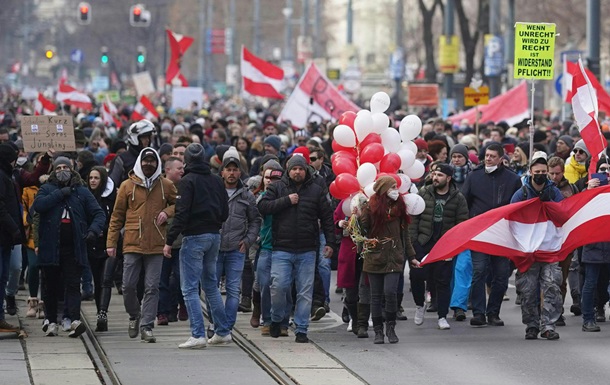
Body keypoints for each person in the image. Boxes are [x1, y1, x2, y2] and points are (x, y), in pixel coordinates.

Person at [258, 154, 336, 343]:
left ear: (305, 170)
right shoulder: (278, 187)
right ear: (288, 169)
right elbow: (263, 206)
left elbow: (327, 218)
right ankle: (276, 318)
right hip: (281, 249)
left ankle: (301, 329)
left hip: (307, 249)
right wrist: (286, 201)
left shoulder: (316, 190)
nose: (297, 172)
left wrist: (331, 243)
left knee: (304, 291)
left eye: (301, 168)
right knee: (278, 286)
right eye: (294, 169)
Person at [163, 143, 230, 349]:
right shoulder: (217, 180)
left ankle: (198, 334)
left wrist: (169, 240)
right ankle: (222, 331)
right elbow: (225, 211)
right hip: (214, 235)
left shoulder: (187, 182)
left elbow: (181, 214)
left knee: (189, 288)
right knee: (210, 285)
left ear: (187, 161)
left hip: (194, 237)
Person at [107, 148, 177, 343]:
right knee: (128, 285)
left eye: (152, 161)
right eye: (145, 161)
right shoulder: (127, 186)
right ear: (139, 162)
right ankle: (134, 314)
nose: (148, 165)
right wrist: (111, 242)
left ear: (157, 164)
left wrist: (168, 212)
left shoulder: (166, 185)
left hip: (156, 243)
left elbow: (179, 204)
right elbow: (117, 216)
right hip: (132, 242)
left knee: (152, 287)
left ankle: (147, 326)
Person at [33, 156, 105, 338]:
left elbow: (98, 214)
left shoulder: (81, 191)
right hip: (50, 247)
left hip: (74, 247)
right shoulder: (46, 189)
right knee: (51, 286)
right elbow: (38, 206)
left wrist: (92, 231)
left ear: (72, 170)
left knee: (73, 284)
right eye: (59, 168)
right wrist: (60, 193)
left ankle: (74, 320)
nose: (62, 170)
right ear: (53, 171)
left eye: (66, 167)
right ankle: (50, 320)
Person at [462, 143, 522, 327]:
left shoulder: (512, 179)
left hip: (502, 234)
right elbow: (465, 202)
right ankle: (479, 313)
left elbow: (517, 206)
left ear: (501, 159)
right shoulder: (474, 177)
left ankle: (493, 312)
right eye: (486, 155)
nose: (488, 159)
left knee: (502, 274)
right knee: (479, 271)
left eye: (492, 156)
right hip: (480, 233)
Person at [510, 151, 563, 340]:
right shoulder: (521, 194)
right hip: (529, 252)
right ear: (531, 172)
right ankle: (531, 325)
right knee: (528, 290)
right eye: (537, 171)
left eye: (544, 171)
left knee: (551, 288)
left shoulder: (553, 192)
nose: (540, 174)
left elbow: (562, 214)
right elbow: (512, 218)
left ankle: (548, 325)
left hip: (549, 250)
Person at [409, 164, 469, 330]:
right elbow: (413, 219)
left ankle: (442, 316)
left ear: (448, 178)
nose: (435, 178)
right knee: (417, 276)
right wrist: (414, 242)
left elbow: (462, 223)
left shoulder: (458, 198)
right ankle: (419, 305)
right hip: (423, 242)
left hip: (444, 245)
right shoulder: (423, 193)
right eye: (434, 174)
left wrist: (453, 244)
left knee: (442, 280)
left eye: (440, 175)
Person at [358, 176, 416, 344]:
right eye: (392, 187)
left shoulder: (400, 208)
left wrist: (411, 256)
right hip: (375, 257)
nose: (395, 190)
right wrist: (359, 216)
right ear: (383, 190)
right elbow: (364, 229)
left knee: (390, 293)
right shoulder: (371, 207)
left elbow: (405, 235)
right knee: (375, 296)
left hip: (394, 257)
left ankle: (390, 328)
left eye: (396, 187)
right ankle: (378, 331)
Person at [215, 155, 261, 331]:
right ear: (223, 172)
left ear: (240, 172)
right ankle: (216, 321)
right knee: (212, 289)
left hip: (236, 249)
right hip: (216, 248)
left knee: (233, 289)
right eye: (229, 170)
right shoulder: (215, 191)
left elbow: (255, 220)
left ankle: (226, 326)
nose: (232, 173)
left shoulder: (247, 195)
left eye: (235, 170)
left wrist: (248, 240)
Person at [547, 156, 581, 321]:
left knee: (561, 277)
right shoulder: (542, 187)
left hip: (565, 240)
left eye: (557, 173)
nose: (554, 177)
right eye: (551, 173)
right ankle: (547, 310)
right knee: (547, 279)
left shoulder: (572, 189)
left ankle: (558, 311)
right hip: (546, 239)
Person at [579, 157, 610, 333]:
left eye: (608, 170)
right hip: (593, 245)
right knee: (590, 283)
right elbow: (578, 209)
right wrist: (588, 190)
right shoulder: (588, 191)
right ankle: (588, 319)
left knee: (604, 286)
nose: (605, 173)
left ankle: (601, 305)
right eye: (602, 170)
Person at [86, 166, 117, 332]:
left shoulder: (112, 198)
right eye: (91, 177)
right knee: (97, 281)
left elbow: (117, 218)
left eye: (96, 178)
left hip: (109, 244)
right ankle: (100, 312)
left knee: (105, 280)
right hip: (91, 246)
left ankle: (103, 313)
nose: (92, 181)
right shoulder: (85, 197)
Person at [157, 156, 187, 325]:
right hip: (162, 240)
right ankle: (163, 311)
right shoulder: (159, 187)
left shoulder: (185, 186)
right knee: (162, 279)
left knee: (180, 277)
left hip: (181, 240)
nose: (182, 171)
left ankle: (180, 306)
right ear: (167, 170)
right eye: (179, 168)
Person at [0, 144, 24, 332]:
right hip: (4, 234)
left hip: (5, 237)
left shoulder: (7, 175)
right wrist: (14, 227)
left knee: (3, 276)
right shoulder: (2, 176)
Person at [108, 119, 155, 186]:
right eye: (144, 137)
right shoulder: (121, 159)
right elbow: (112, 184)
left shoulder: (153, 157)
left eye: (149, 137)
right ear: (135, 138)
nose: (147, 140)